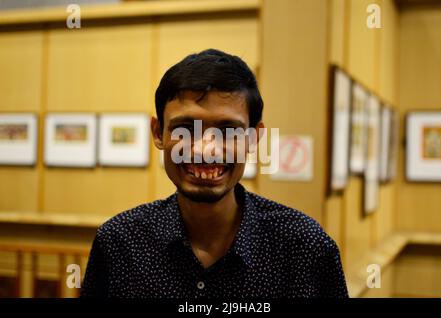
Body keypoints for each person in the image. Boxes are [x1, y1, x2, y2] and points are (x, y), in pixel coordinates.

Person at [81, 49, 348, 298]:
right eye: (186, 128)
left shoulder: (305, 248)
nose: (206, 149)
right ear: (157, 133)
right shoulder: (119, 243)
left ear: (254, 139)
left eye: (227, 130)